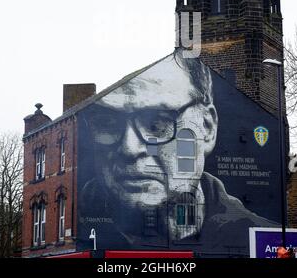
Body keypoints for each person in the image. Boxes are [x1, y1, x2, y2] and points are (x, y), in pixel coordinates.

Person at [79, 50, 277, 256]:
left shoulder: (256, 234)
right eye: (107, 123)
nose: (130, 148)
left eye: (157, 123)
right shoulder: (81, 226)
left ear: (207, 128)